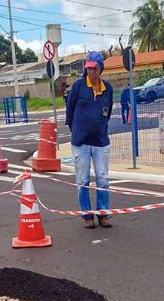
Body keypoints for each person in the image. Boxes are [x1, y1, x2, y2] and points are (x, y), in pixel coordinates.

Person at [64, 51, 114, 229]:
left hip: (101, 141)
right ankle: (87, 215)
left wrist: (98, 126)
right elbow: (69, 112)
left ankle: (102, 214)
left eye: (94, 69)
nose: (91, 72)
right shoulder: (78, 87)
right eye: (89, 69)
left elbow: (107, 112)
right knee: (83, 180)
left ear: (101, 69)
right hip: (81, 142)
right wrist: (77, 130)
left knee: (103, 179)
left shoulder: (107, 88)